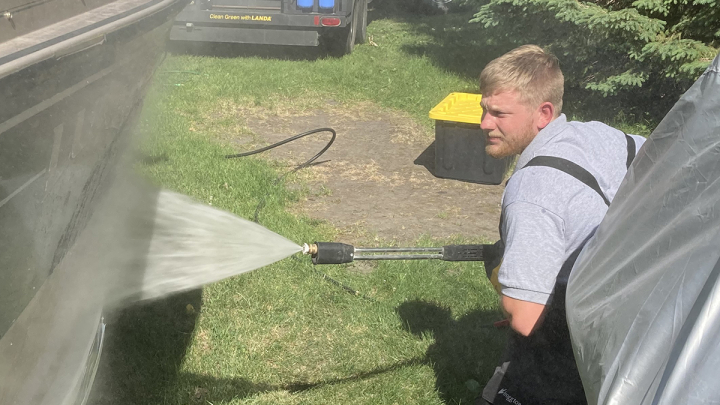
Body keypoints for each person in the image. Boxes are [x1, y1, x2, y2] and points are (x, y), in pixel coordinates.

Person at [476, 45, 645, 404]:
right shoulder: (596, 134)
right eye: (484, 110)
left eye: (499, 114)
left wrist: (500, 273)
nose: (484, 124)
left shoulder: (531, 196)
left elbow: (524, 318)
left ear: (544, 113)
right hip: (639, 307)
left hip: (583, 337)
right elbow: (662, 158)